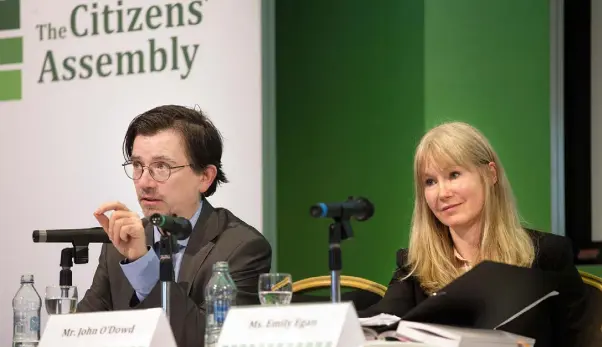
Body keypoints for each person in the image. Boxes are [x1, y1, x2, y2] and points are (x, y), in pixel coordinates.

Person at [359, 122, 586, 347]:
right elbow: (377, 325)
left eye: (454, 174)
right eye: (430, 182)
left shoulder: (548, 255)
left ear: (490, 174)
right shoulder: (413, 267)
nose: (442, 193)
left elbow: (581, 339)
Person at [77, 105, 272, 346]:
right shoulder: (118, 247)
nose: (145, 182)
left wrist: (143, 265)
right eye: (138, 166)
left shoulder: (241, 248)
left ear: (205, 177)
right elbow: (82, 332)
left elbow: (210, 340)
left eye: (162, 167)